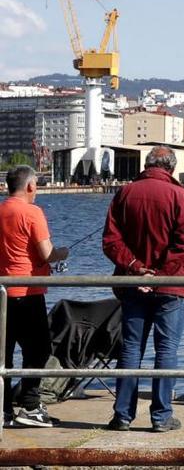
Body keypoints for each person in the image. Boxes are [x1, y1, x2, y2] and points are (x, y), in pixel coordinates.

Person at [101, 146, 184, 433]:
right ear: (171, 167)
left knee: (130, 349)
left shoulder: (125, 193)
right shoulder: (180, 195)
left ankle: (122, 415)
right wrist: (159, 273)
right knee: (166, 350)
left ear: (147, 164)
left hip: (133, 283)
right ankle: (161, 416)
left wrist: (134, 266)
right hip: (171, 285)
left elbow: (110, 240)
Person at [0, 166, 68, 427]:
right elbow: (46, 253)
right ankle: (29, 404)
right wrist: (62, 253)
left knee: (3, 354)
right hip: (28, 292)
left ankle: (3, 409)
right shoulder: (32, 212)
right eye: (36, 185)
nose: (37, 190)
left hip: (3, 292)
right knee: (39, 350)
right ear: (29, 186)